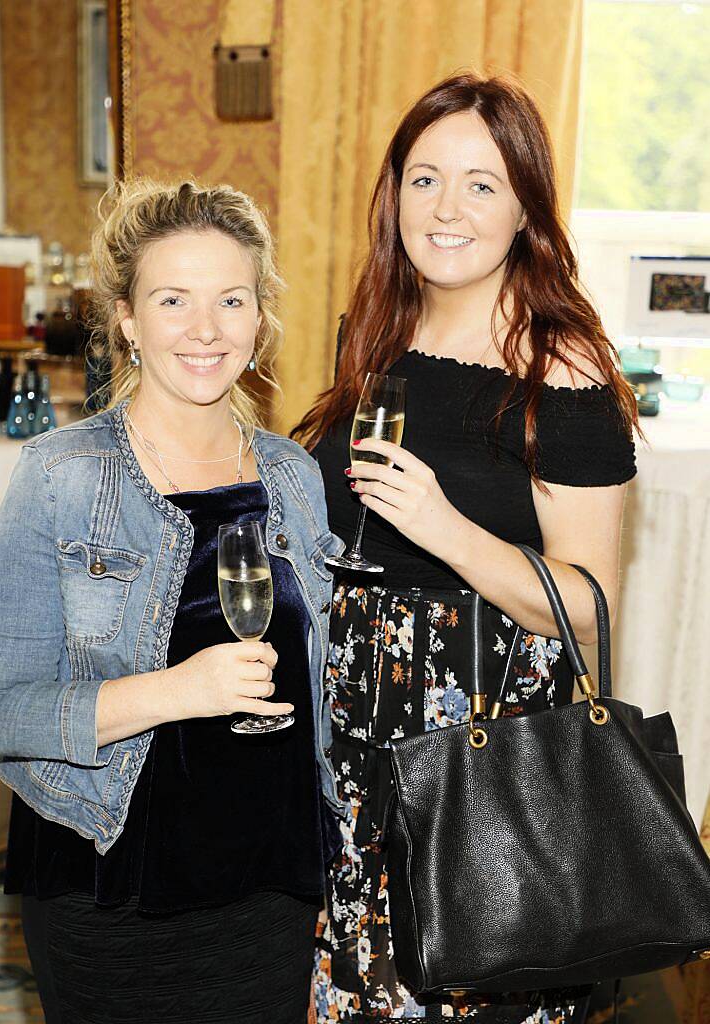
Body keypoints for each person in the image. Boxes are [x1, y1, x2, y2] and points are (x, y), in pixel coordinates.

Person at [294, 73, 638, 1022]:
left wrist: (443, 526)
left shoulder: (558, 365)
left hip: (478, 745)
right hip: (358, 731)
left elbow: (587, 606)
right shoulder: (373, 332)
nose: (446, 209)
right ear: (392, 191)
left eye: (482, 185)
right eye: (424, 179)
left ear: (525, 207)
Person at [0, 178, 344, 1024]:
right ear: (128, 319)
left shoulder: (292, 475)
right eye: (173, 299)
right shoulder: (62, 476)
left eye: (229, 300)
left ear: (258, 318)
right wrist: (180, 693)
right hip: (109, 879)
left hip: (269, 881)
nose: (204, 330)